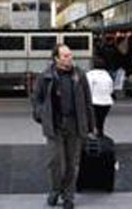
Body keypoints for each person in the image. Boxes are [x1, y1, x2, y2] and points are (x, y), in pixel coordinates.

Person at [32, 44, 94, 209]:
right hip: (54, 124)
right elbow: (36, 98)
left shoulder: (79, 75)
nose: (69, 58)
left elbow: (88, 101)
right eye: (65, 56)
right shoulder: (46, 76)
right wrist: (41, 115)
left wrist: (90, 126)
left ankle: (68, 196)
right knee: (55, 161)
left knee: (72, 162)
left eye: (70, 55)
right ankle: (55, 189)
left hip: (74, 124)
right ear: (56, 58)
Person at [86, 55, 113, 137]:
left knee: (92, 120)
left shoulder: (90, 75)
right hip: (107, 102)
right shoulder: (107, 75)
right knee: (101, 121)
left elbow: (88, 89)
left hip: (94, 101)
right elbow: (110, 88)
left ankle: (92, 136)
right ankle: (100, 134)